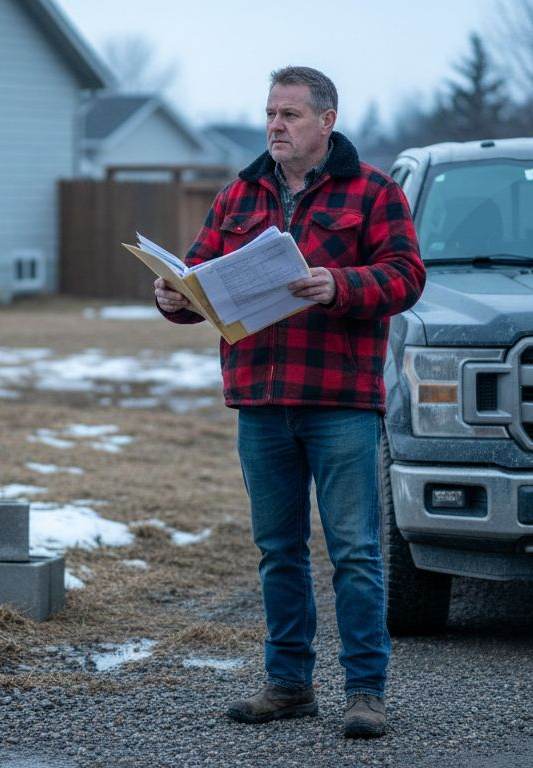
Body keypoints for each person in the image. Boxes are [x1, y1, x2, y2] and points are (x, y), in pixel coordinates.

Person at [155, 66, 424, 738]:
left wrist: (340, 284)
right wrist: (174, 298)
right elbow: (199, 277)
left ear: (326, 122)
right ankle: (289, 684)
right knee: (278, 550)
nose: (275, 125)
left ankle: (365, 691)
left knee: (356, 553)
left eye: (291, 115)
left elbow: (407, 275)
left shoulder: (374, 192)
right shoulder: (238, 196)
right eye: (271, 113)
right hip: (261, 401)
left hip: (339, 402)